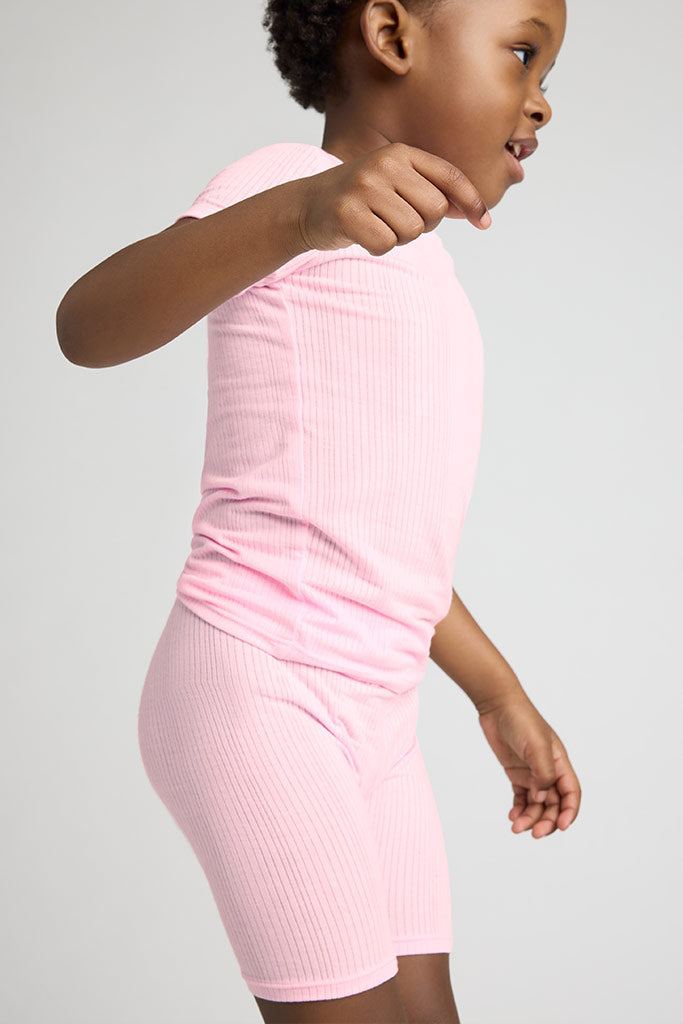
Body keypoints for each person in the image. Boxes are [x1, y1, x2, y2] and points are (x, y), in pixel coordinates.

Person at [55, 1, 580, 1021]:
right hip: (260, 682)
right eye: (522, 52)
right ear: (391, 35)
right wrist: (304, 212)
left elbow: (377, 544)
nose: (541, 101)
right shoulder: (285, 185)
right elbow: (84, 326)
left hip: (377, 720)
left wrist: (496, 691)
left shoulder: (427, 272)